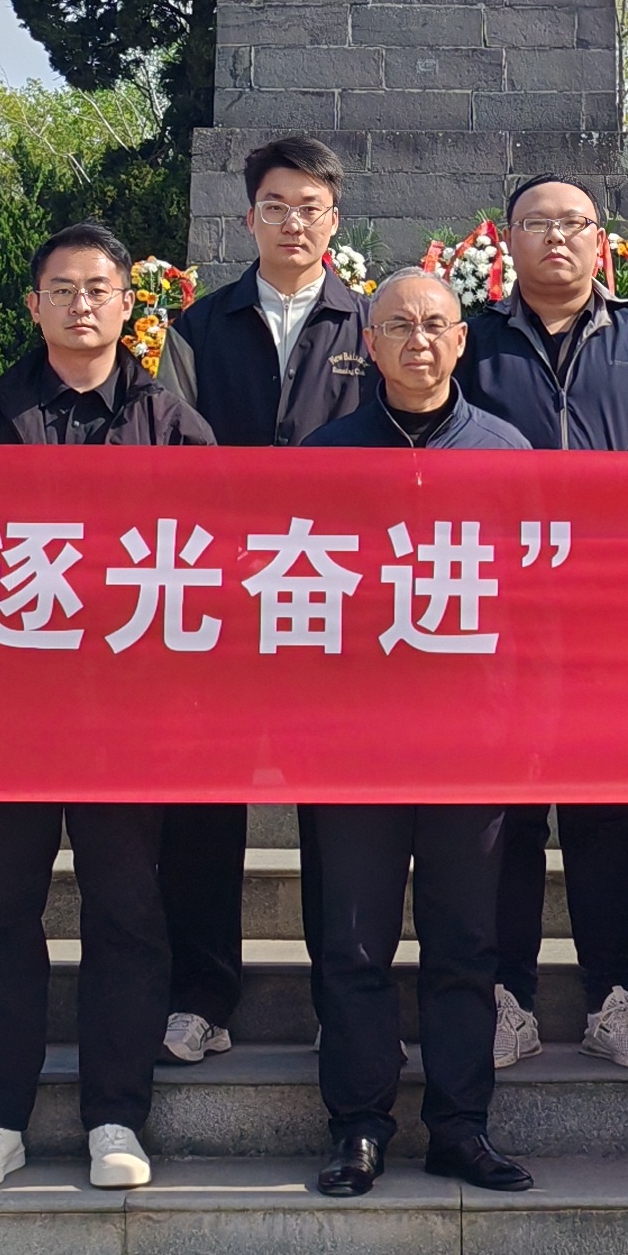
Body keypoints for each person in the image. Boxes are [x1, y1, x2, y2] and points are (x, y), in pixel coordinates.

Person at [0, 223, 219, 1192]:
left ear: (128, 304)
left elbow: (209, 573)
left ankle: (116, 1115)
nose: (81, 304)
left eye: (99, 288)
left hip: (128, 722)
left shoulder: (174, 426)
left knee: (128, 912)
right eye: (61, 288)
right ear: (34, 305)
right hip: (10, 717)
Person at [290, 267, 536, 1196]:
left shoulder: (508, 454)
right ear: (370, 344)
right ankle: (358, 1125)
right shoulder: (327, 456)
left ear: (462, 340)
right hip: (355, 745)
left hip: (473, 745)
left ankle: (460, 1125)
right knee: (353, 942)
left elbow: (537, 606)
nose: (419, 340)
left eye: (436, 324)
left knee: (464, 942)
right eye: (398, 325)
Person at [458, 171, 628, 1072]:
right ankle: (507, 997)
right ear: (507, 239)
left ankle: (610, 998)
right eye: (537, 223)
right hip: (502, 616)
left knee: (608, 815)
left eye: (574, 224)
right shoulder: (472, 340)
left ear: (602, 241)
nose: (556, 238)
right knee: (507, 817)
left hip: (608, 618)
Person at [162, 135, 375, 1069]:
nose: (295, 223)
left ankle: (343, 999)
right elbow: (173, 458)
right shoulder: (199, 329)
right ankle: (201, 995)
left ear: (336, 220)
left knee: (341, 818)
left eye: (311, 208)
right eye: (277, 206)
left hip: (336, 604)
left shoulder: (369, 325)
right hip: (221, 605)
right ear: (248, 217)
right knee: (204, 810)